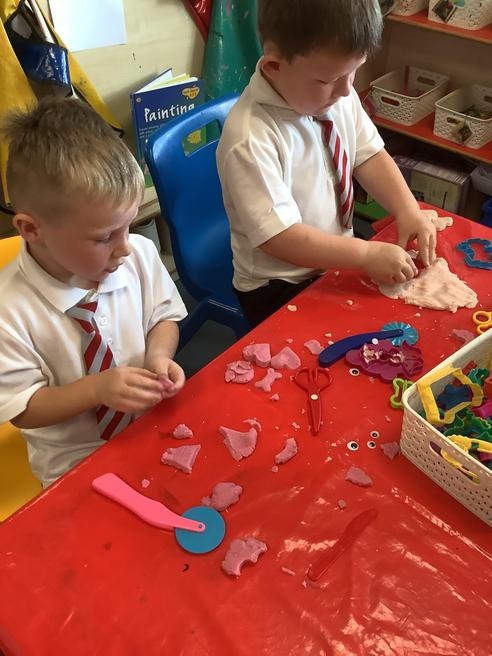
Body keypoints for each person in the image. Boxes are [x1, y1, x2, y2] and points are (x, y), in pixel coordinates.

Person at [0, 98, 187, 487]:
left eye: (128, 226)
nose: (125, 247)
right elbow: (23, 408)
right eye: (104, 237)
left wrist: (158, 355)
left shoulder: (137, 255)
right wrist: (96, 390)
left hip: (153, 428)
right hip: (72, 464)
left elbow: (163, 317)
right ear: (31, 230)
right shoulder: (8, 311)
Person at [217, 0, 437, 327]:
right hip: (280, 284)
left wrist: (407, 210)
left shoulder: (336, 94)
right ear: (274, 66)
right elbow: (280, 237)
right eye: (327, 80)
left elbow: (369, 155)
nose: (347, 90)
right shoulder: (250, 138)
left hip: (336, 259)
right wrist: (365, 255)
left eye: (354, 71)